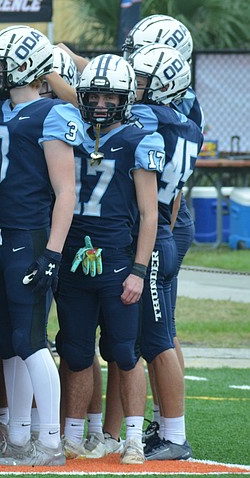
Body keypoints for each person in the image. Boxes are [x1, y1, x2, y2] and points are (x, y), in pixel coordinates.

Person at [0, 25, 83, 467]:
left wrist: (53, 252)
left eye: (1, 64)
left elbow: (66, 191)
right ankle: (18, 438)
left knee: (30, 338)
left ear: (25, 66)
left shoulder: (51, 114)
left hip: (28, 235)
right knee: (6, 340)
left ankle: (51, 442)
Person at [55, 54, 164, 465]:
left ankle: (132, 438)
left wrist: (138, 269)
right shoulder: (70, 130)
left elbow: (150, 214)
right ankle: (72, 436)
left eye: (109, 95)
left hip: (116, 257)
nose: (100, 103)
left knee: (123, 351)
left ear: (125, 98)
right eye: (93, 95)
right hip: (72, 257)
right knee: (76, 351)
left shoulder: (140, 139)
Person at [128, 43, 202, 461]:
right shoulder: (187, 124)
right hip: (163, 230)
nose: (130, 88)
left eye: (138, 81)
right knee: (159, 336)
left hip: (152, 237)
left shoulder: (148, 116)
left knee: (157, 341)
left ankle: (175, 436)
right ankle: (167, 430)